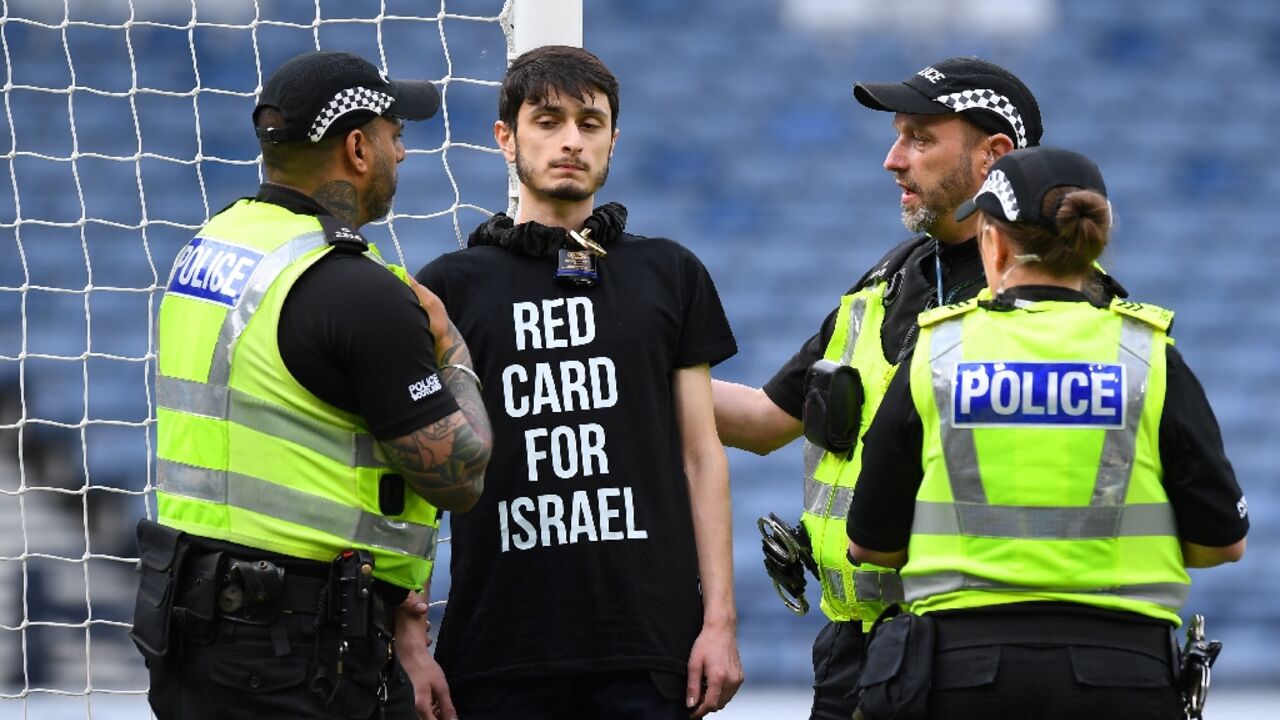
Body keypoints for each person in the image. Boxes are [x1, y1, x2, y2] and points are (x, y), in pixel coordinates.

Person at [712, 57, 1109, 720]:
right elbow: (760, 421)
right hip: (859, 653)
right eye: (898, 136)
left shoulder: (1061, 306)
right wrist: (628, 360)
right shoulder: (887, 280)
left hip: (980, 657)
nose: (894, 160)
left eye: (921, 139)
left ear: (994, 157)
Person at [131, 50, 493, 720]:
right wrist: (451, 348)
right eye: (395, 133)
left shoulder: (211, 246)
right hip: (301, 658)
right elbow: (460, 476)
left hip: (192, 634)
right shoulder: (360, 291)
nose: (403, 153)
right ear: (358, 148)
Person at [847, 145, 1249, 720]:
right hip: (1123, 674)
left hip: (959, 673)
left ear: (997, 242)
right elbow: (1222, 542)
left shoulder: (938, 350)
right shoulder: (1148, 354)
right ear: (1093, 245)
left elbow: (871, 545)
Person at [414, 45, 744, 719]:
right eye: (547, 119)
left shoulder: (670, 272)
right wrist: (411, 635)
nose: (570, 139)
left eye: (590, 123)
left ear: (614, 139)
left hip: (650, 649)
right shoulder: (448, 286)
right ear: (505, 136)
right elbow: (419, 471)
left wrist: (721, 622)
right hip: (496, 648)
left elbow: (701, 454)